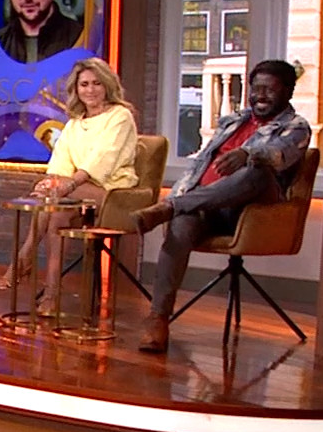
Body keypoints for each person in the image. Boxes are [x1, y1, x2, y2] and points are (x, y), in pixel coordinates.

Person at [132, 59, 311, 353]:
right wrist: (184, 192)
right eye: (256, 88)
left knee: (256, 170)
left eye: (270, 90)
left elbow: (279, 155)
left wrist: (247, 153)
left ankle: (169, 207)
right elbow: (200, 164)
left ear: (288, 92)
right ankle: (158, 319)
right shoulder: (232, 121)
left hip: (250, 211)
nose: (260, 96)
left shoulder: (296, 126)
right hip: (209, 206)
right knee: (181, 223)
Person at [0, 59, 139, 305]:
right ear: (76, 89)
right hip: (76, 191)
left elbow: (103, 158)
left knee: (53, 199)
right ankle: (51, 294)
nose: (90, 89)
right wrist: (51, 183)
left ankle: (23, 258)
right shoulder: (75, 123)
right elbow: (61, 160)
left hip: (114, 192)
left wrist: (67, 185)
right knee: (56, 216)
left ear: (107, 85)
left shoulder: (120, 116)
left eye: (96, 83)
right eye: (84, 84)